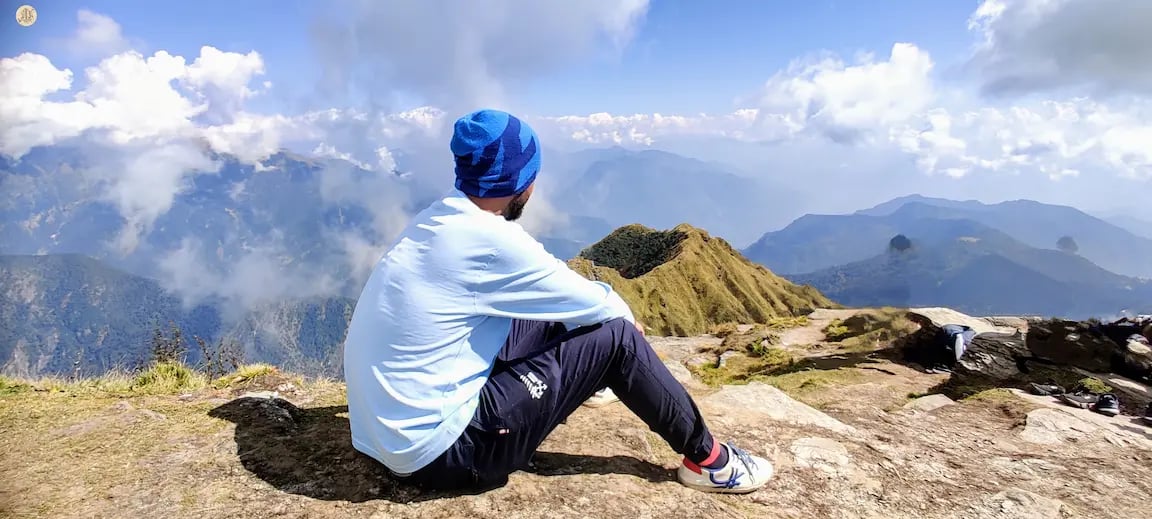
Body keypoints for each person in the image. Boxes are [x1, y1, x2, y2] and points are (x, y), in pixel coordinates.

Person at [343, 109, 773, 494]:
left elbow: (565, 301)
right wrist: (618, 339)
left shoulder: (436, 219)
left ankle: (585, 383)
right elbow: (608, 311)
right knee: (619, 338)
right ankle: (710, 462)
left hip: (378, 436)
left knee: (544, 314)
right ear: (521, 181)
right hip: (448, 456)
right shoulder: (494, 242)